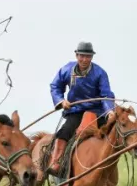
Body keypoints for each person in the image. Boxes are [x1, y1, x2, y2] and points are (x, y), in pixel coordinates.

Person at [47, 41, 116, 176]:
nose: (84, 59)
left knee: (112, 132)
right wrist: (61, 101)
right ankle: (56, 162)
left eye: (88, 56)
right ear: (76, 55)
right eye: (82, 56)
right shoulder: (67, 69)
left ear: (92, 57)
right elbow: (55, 86)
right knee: (64, 132)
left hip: (98, 111)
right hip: (75, 110)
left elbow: (106, 94)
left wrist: (110, 111)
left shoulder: (100, 73)